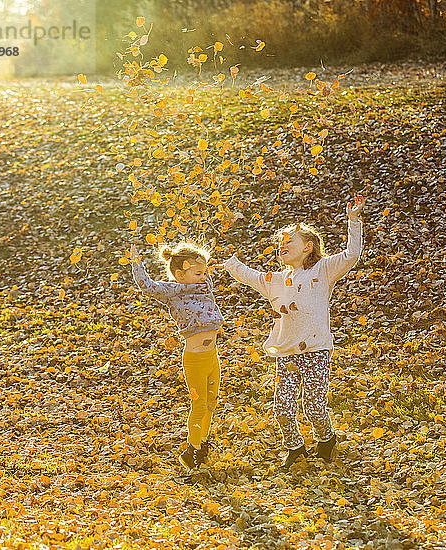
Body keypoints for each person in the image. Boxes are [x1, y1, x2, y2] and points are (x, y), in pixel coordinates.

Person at [222, 196, 365, 469]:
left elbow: (351, 256)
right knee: (283, 409)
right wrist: (230, 261)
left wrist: (353, 221)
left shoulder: (322, 271)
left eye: (290, 241)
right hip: (285, 353)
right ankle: (295, 448)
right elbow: (249, 276)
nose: (283, 245)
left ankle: (326, 439)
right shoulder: (275, 281)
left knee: (314, 406)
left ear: (308, 247)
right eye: (281, 243)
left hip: (316, 351)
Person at [130, 242, 224, 470]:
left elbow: (204, 266)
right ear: (180, 274)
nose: (204, 277)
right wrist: (136, 263)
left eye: (205, 272)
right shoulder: (173, 291)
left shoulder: (205, 285)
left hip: (212, 356)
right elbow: (147, 286)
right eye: (198, 273)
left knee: (211, 401)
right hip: (195, 359)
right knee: (199, 403)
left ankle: (203, 444)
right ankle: (191, 450)